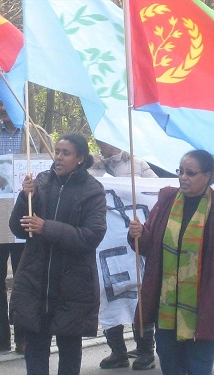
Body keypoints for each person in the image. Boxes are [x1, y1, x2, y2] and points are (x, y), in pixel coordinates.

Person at [127, 149, 214, 375]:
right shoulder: (166, 202)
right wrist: (140, 233)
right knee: (171, 366)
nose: (183, 177)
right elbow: (148, 248)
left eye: (190, 173)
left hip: (205, 306)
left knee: (198, 367)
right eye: (180, 171)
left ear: (207, 176)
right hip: (166, 307)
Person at [8, 133, 107, 374]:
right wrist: (24, 198)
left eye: (66, 153)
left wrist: (47, 227)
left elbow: (90, 236)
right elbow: (17, 228)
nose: (59, 157)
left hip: (73, 284)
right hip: (36, 280)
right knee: (35, 348)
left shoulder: (93, 191)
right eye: (57, 151)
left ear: (81, 158)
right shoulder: (41, 182)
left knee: (69, 349)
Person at [0, 103, 53, 355]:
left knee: (24, 279)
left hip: (24, 219)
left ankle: (24, 336)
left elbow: (50, 172)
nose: (2, 108)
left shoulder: (36, 135)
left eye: (7, 103)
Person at [92, 140, 157, 371]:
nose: (102, 142)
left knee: (139, 294)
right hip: (105, 244)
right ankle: (117, 352)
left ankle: (145, 351)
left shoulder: (138, 164)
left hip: (134, 239)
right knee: (107, 293)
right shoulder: (92, 166)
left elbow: (155, 193)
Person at [89, 140, 158, 178]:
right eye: (109, 140)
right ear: (99, 144)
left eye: (117, 138)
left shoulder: (138, 164)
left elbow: (156, 189)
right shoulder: (91, 168)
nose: (114, 144)